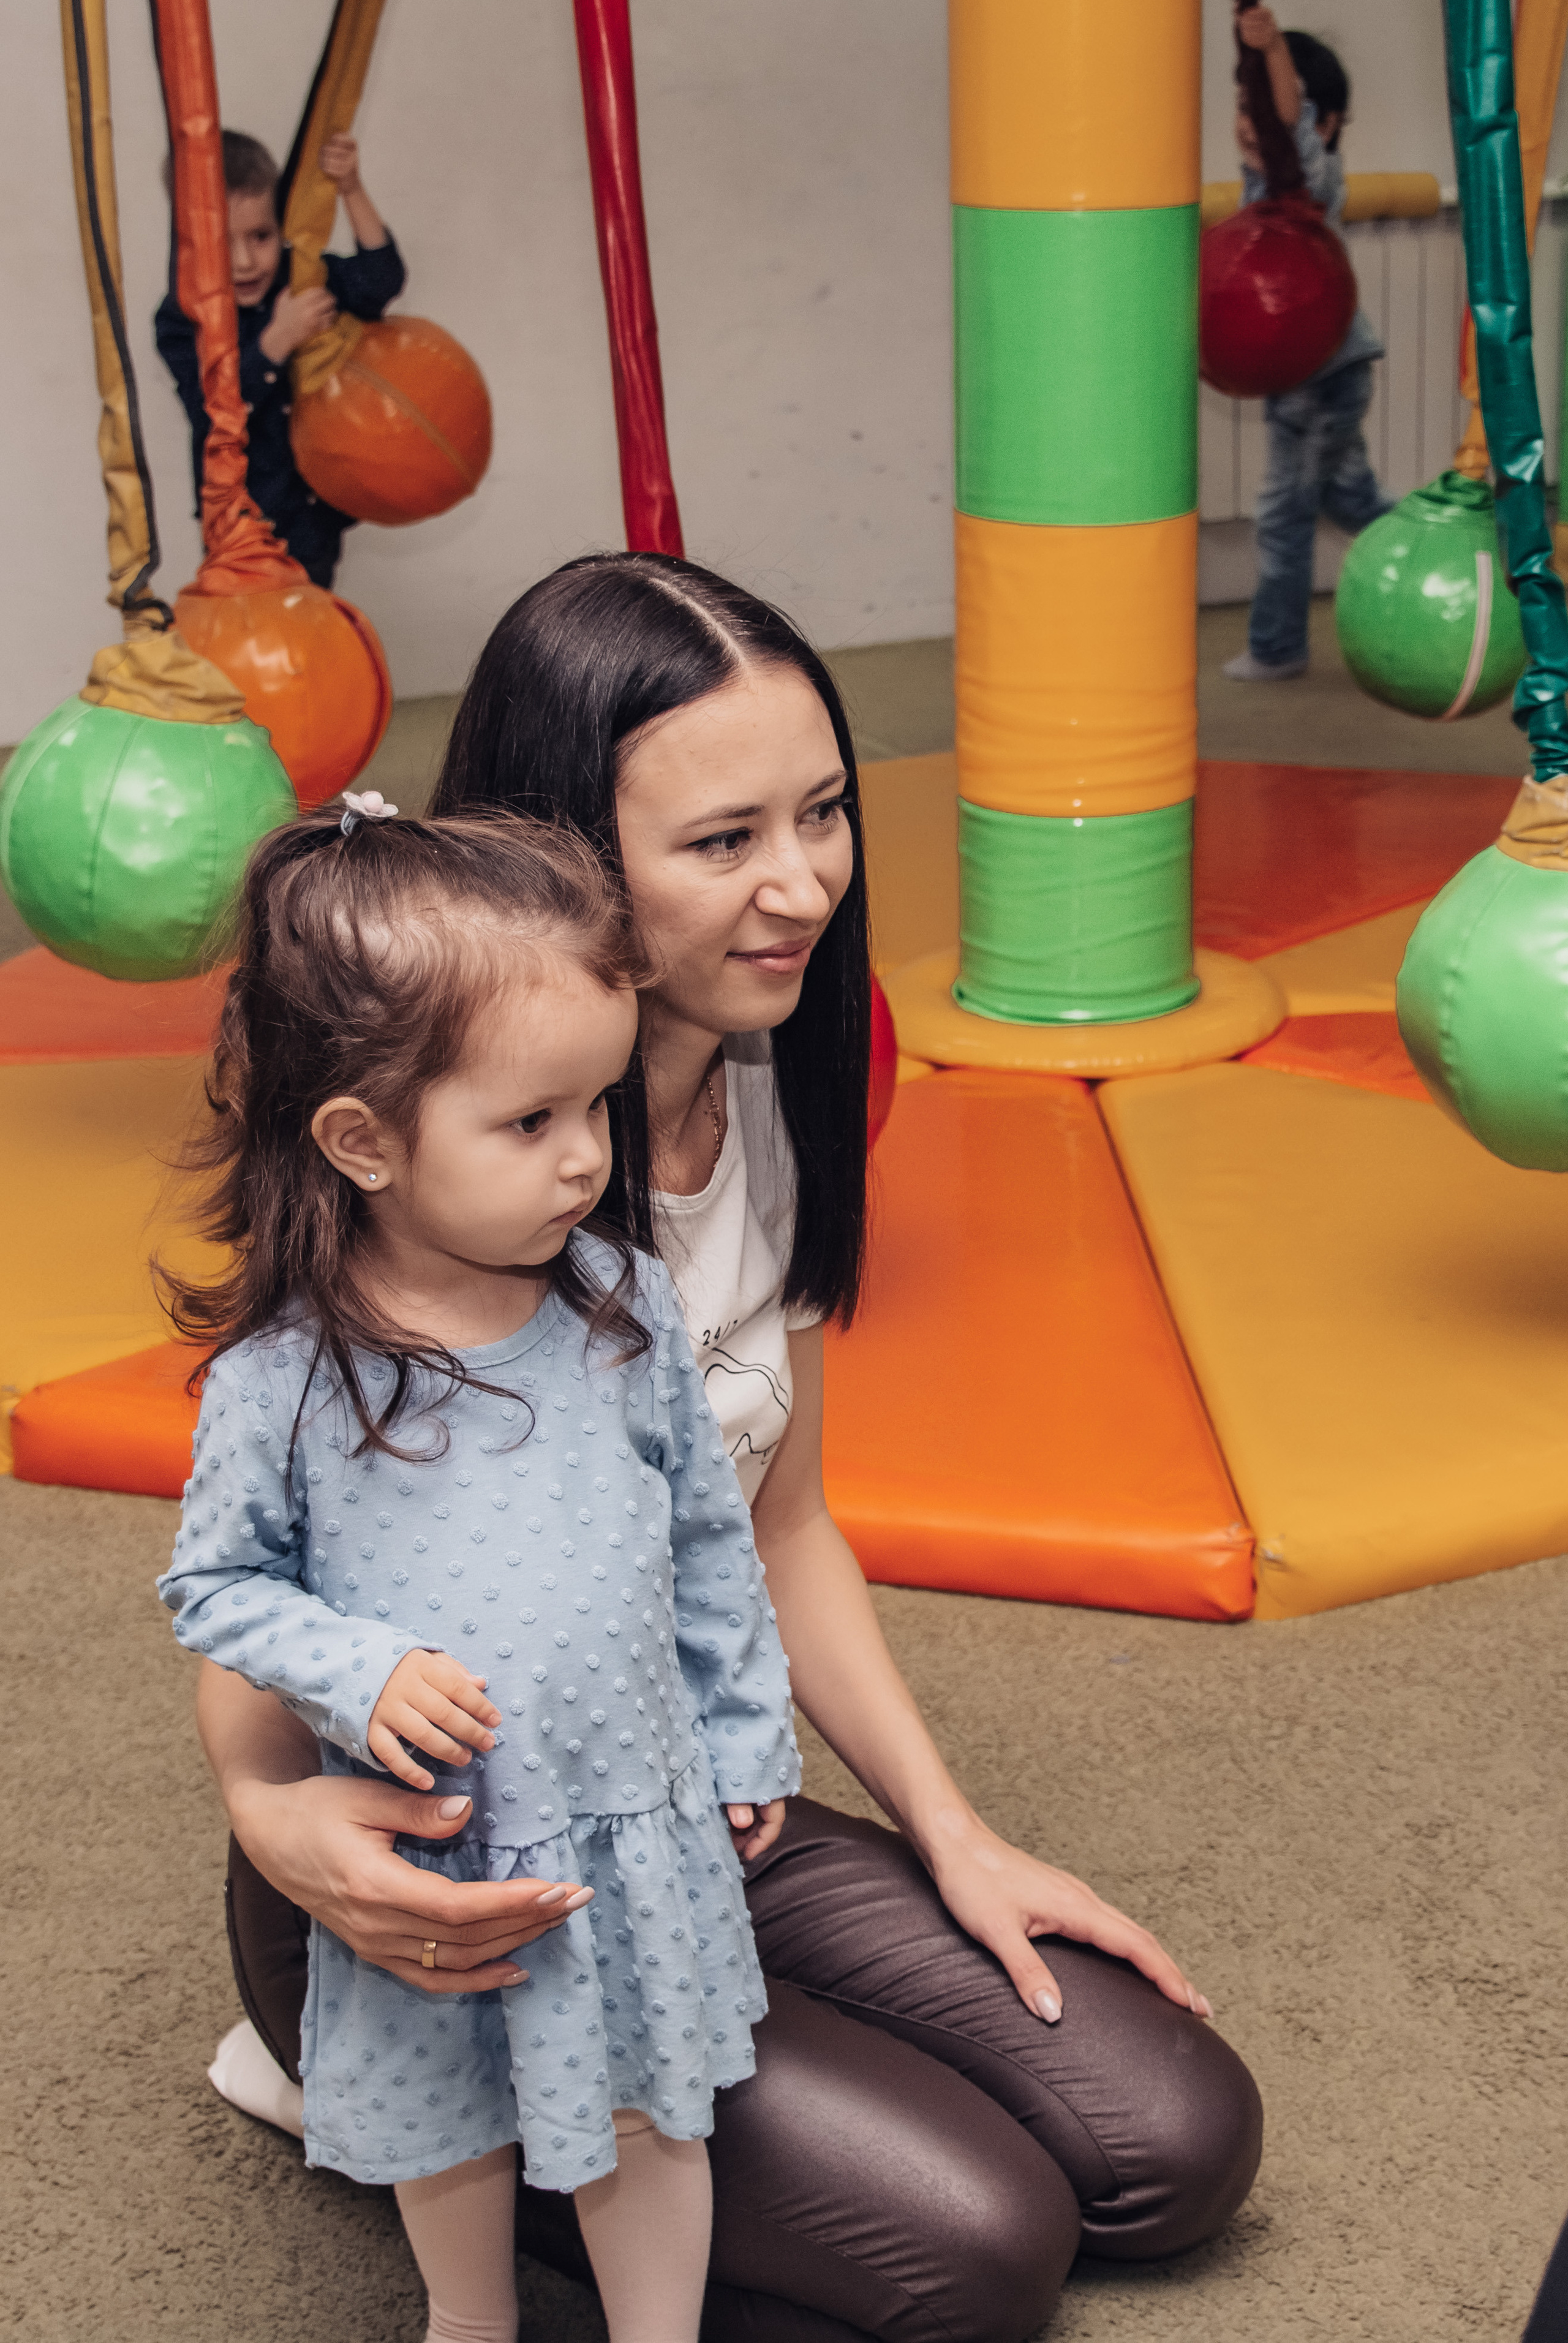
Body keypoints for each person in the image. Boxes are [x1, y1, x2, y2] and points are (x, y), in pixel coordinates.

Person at [197, 554, 1265, 2342]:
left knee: (1171, 2141)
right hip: (445, 1874)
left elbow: (782, 1523)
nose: (803, 883)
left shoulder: (788, 1066)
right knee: (980, 2253)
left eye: (826, 808)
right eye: (722, 840)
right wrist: (282, 1822)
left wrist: (954, 1831)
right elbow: (251, 1578)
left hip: (686, 1811)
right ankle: (383, 2107)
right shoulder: (449, 1163)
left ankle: (656, 2107)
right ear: (557, 853)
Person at [158, 798, 801, 2343]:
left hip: (635, 1822)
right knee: (452, 2122)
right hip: (446, 1847)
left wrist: (745, 1725)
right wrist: (356, 1669)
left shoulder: (623, 1306)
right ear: (363, 1142)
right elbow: (217, 1587)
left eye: (597, 1105)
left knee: (657, 2115)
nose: (587, 1158)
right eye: (530, 1123)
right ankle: (471, 2319)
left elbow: (709, 1536)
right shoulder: (285, 1378)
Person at [154, 129, 405, 587]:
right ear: (189, 241)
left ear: (283, 223)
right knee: (251, 636)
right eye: (222, 244)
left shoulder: (302, 278)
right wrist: (277, 340)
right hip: (240, 521)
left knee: (311, 627)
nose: (245, 261)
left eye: (261, 236)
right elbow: (211, 412)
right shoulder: (183, 316)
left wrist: (351, 189)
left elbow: (381, 279)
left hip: (313, 512)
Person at [1222, 9, 1392, 683]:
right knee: (1350, 500)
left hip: (1321, 375)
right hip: (1316, 372)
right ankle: (1466, 553)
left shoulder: (1307, 184)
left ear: (1323, 126)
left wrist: (1270, 57)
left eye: (1261, 106)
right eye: (1242, 107)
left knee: (1284, 512)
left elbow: (1287, 124)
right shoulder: (1264, 187)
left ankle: (1277, 646)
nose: (1250, 120)